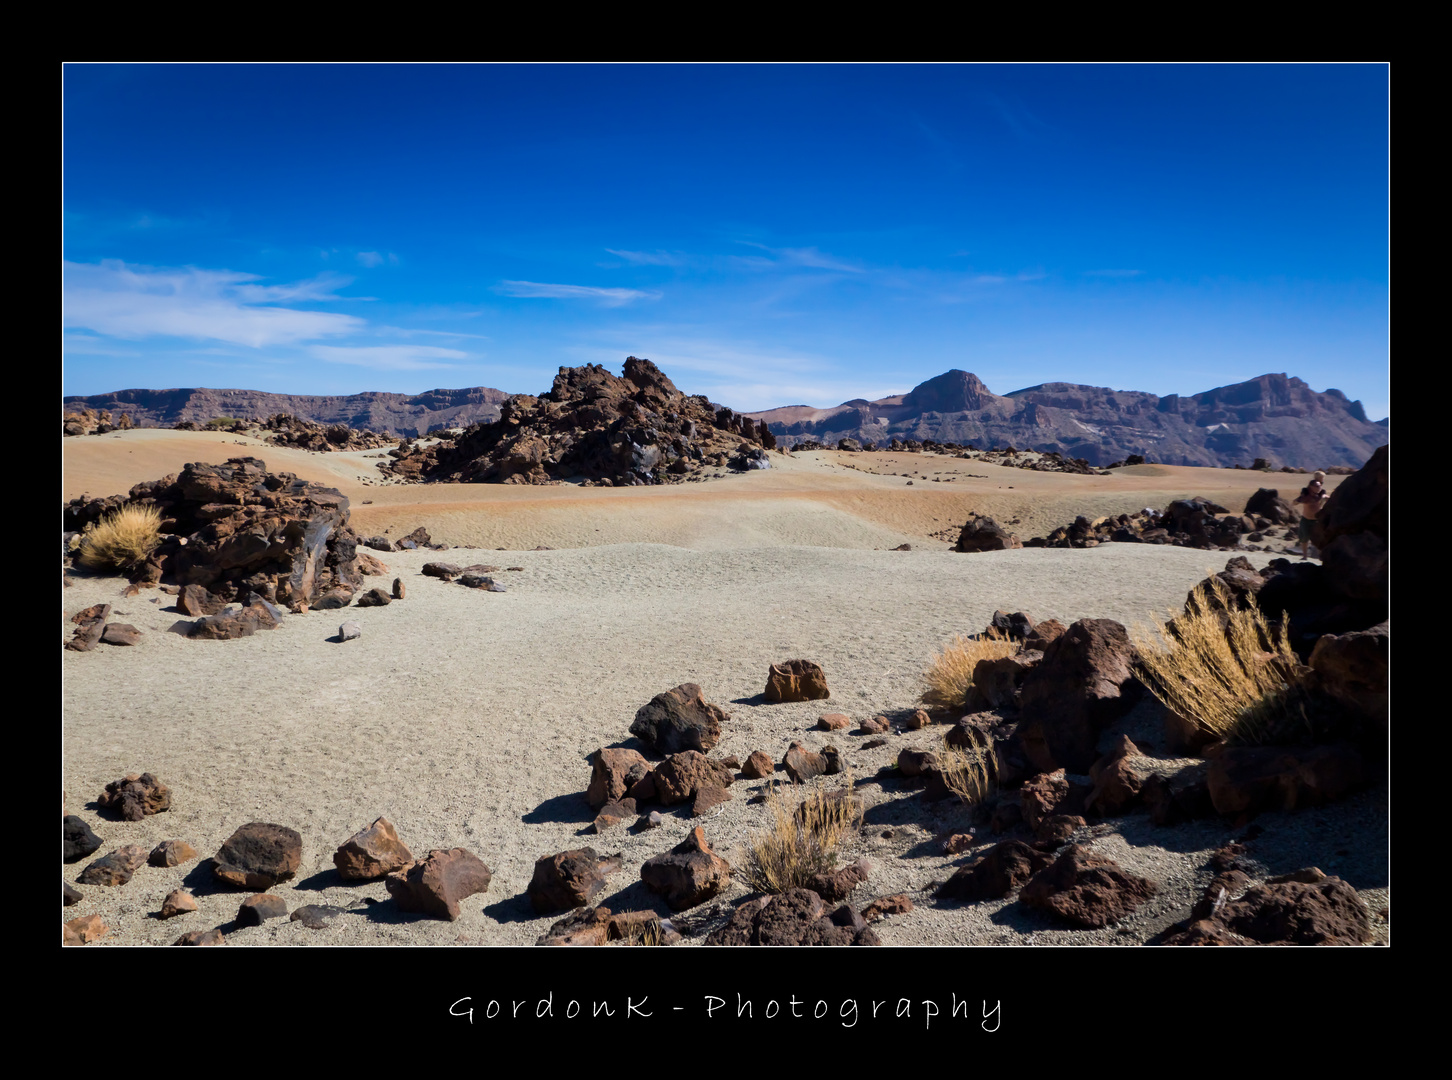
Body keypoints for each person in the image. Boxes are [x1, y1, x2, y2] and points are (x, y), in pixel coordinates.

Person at [1293, 471, 1329, 559]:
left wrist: (1324, 498)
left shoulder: (1321, 492)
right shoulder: (1306, 491)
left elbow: (1325, 496)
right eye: (1321, 478)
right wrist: (1299, 500)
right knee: (1304, 537)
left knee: (1318, 538)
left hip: (1317, 519)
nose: (1319, 486)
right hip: (1306, 518)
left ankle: (1320, 555)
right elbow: (1298, 500)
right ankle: (1305, 556)